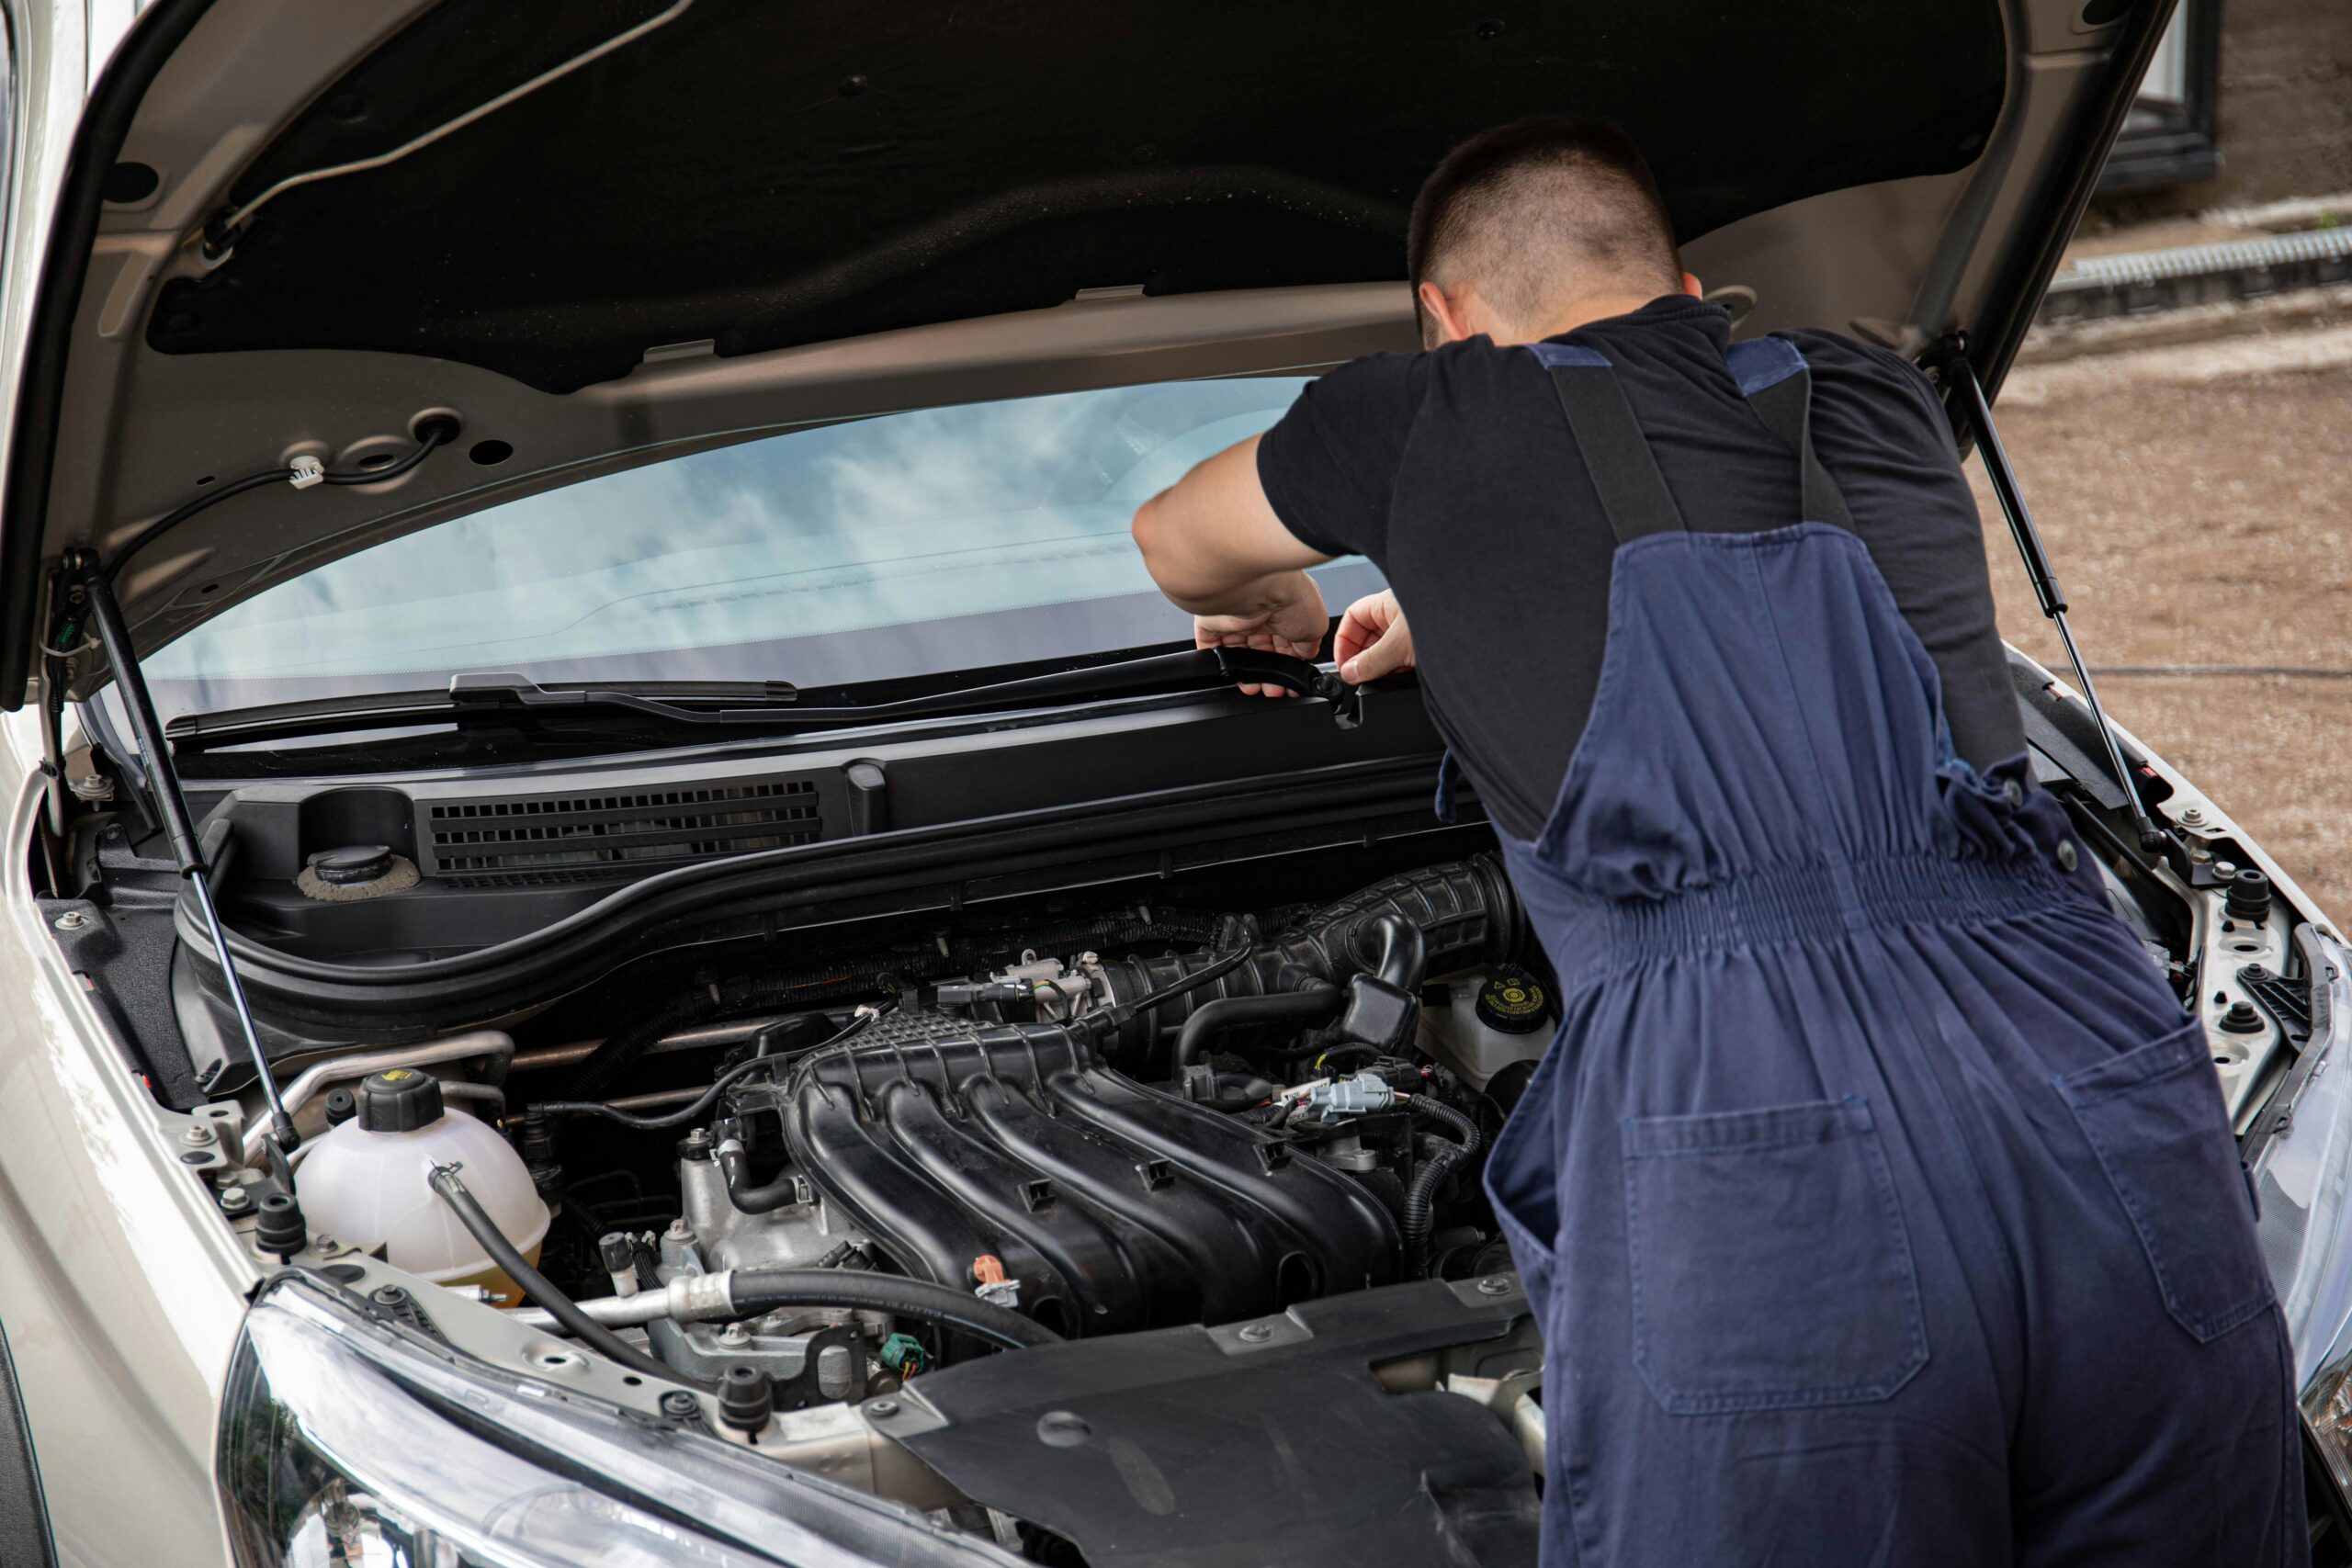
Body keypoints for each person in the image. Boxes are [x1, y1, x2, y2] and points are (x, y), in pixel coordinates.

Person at [1129, 117, 2301, 1566]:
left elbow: (1176, 539)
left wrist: (1304, 591)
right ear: (1688, 289)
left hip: (1755, 1116)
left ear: (1444, 319)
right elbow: (1764, 561)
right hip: (2090, 1055)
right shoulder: (1868, 392)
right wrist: (1459, 602)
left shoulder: (1411, 417)